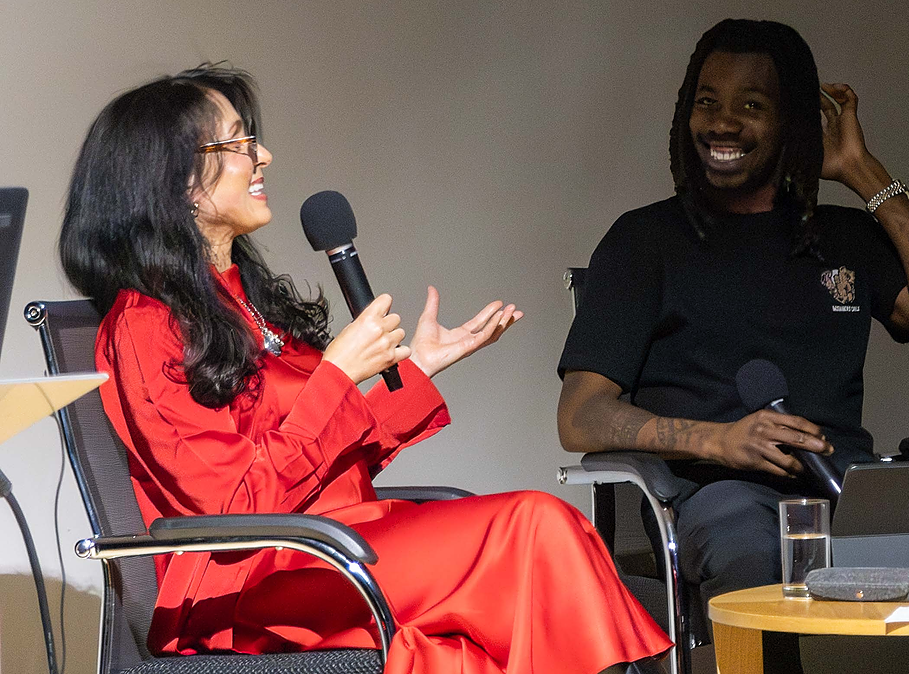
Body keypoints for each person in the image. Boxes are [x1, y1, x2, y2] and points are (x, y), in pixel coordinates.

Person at [60, 65, 670, 674]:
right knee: (533, 526)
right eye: (239, 142)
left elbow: (320, 460)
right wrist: (336, 376)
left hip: (334, 544)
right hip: (251, 579)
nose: (263, 156)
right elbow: (235, 502)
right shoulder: (146, 326)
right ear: (176, 181)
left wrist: (417, 370)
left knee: (475, 644)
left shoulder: (246, 300)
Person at [557, 18, 909, 635]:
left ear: (792, 122)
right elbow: (579, 415)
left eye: (751, 106)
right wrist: (717, 440)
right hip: (727, 497)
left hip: (854, 491)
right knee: (748, 546)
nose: (722, 123)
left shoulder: (842, 237)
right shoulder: (644, 242)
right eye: (707, 102)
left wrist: (862, 171)